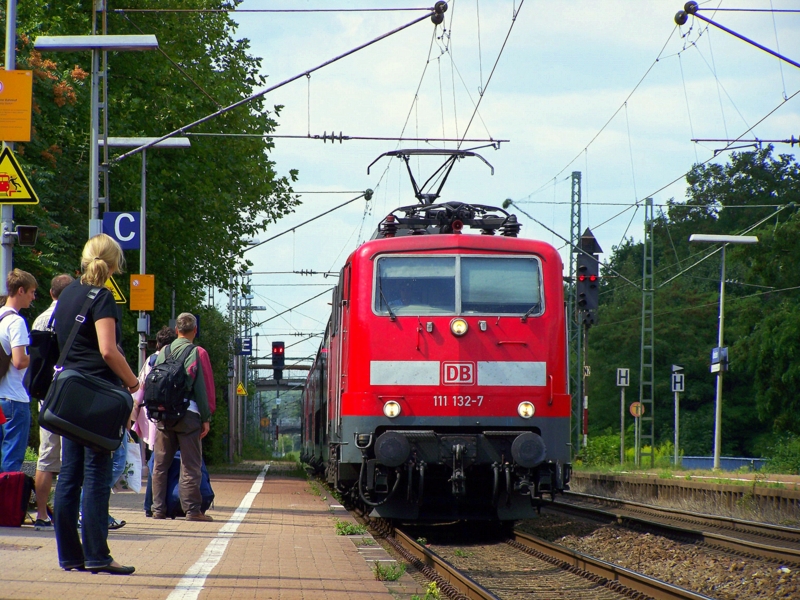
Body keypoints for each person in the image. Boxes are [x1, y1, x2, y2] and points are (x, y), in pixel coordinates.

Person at [52, 234, 139, 575]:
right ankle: (98, 555)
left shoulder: (68, 293)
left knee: (69, 475)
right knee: (96, 476)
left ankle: (70, 556)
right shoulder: (102, 297)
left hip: (69, 396)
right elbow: (107, 350)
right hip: (96, 398)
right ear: (113, 263)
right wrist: (133, 383)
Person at [150, 312, 215, 522]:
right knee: (190, 464)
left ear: (177, 330)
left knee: (160, 465)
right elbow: (203, 389)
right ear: (195, 330)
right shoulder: (198, 352)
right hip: (189, 415)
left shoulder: (163, 352)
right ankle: (192, 510)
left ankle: (158, 509)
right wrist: (206, 417)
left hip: (163, 415)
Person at [31, 273, 74, 531]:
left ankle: (41, 515)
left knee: (46, 456)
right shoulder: (75, 318)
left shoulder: (39, 319)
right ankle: (70, 514)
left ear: (50, 293)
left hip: (46, 394)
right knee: (72, 456)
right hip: (70, 393)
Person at [131, 325, 177, 516]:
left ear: (157, 343)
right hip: (170, 414)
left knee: (156, 458)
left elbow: (139, 387)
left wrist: (133, 413)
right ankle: (154, 503)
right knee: (160, 459)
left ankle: (152, 504)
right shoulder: (175, 360)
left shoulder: (151, 360)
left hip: (150, 414)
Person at [0, 269, 37, 473]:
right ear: (20, 290)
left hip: (0, 396)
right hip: (14, 399)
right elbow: (19, 361)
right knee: (11, 462)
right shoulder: (16, 322)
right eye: (31, 292)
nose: (33, 297)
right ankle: (6, 505)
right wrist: (39, 356)